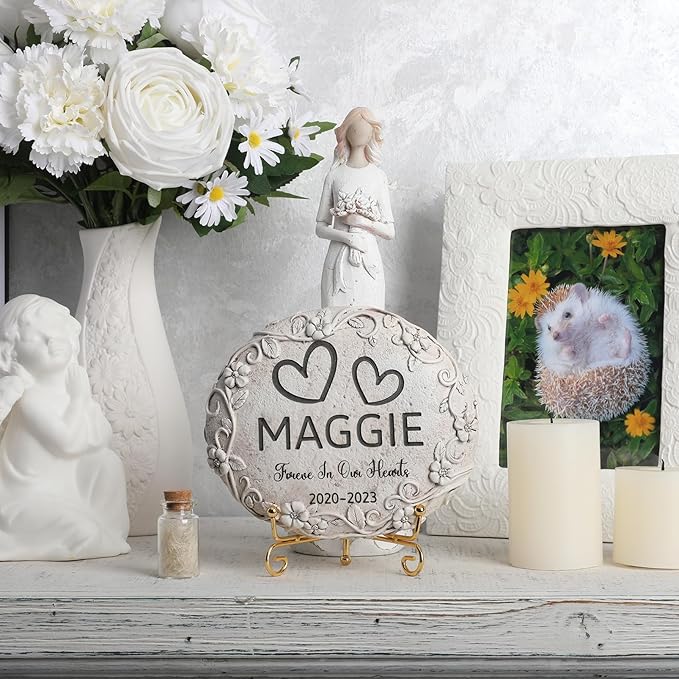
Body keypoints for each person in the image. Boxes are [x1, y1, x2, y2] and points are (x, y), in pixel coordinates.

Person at [0, 295, 129, 560]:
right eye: (36, 336)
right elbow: (69, 442)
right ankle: (91, 535)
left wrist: (82, 402)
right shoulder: (28, 397)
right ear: (12, 352)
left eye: (56, 329)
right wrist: (80, 398)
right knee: (84, 534)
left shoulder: (70, 391)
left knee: (108, 463)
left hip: (64, 490)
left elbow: (102, 436)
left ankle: (107, 533)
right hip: (25, 499)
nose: (52, 339)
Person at [316, 107, 394, 308]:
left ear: (372, 134)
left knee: (370, 315)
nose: (360, 132)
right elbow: (320, 228)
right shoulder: (334, 175)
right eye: (355, 128)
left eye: (365, 128)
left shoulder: (378, 176)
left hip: (369, 262)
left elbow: (389, 231)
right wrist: (349, 238)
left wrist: (362, 222)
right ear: (346, 132)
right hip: (338, 260)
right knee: (335, 315)